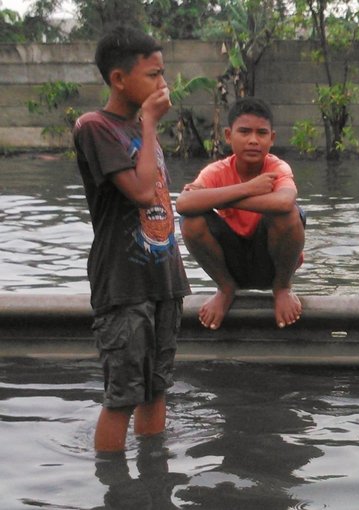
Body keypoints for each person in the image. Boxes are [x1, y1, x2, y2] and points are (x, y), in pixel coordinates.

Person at [73, 25, 190, 452]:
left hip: (162, 277)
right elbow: (141, 191)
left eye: (163, 74)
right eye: (153, 75)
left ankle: (154, 485)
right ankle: (116, 490)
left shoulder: (144, 128)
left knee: (158, 389)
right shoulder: (95, 127)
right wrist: (150, 121)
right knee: (122, 395)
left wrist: (148, 125)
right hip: (122, 284)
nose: (163, 84)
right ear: (119, 79)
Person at [177, 97, 305, 330]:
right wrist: (249, 188)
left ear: (272, 138)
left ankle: (283, 287)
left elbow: (285, 201)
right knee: (191, 220)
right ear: (228, 135)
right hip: (230, 264)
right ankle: (225, 288)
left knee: (290, 214)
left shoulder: (277, 167)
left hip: (271, 262)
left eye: (261, 133)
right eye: (244, 132)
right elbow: (184, 204)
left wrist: (225, 198)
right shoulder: (216, 171)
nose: (253, 140)